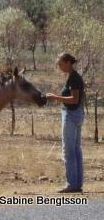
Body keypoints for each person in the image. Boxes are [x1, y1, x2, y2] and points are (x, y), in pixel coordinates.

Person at [46, 52, 85, 193]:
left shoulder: (74, 78)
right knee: (75, 150)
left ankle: (71, 185)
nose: (59, 66)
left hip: (71, 115)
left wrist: (55, 97)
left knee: (69, 150)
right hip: (76, 114)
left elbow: (74, 99)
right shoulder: (72, 77)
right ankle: (77, 184)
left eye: (61, 63)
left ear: (68, 62)